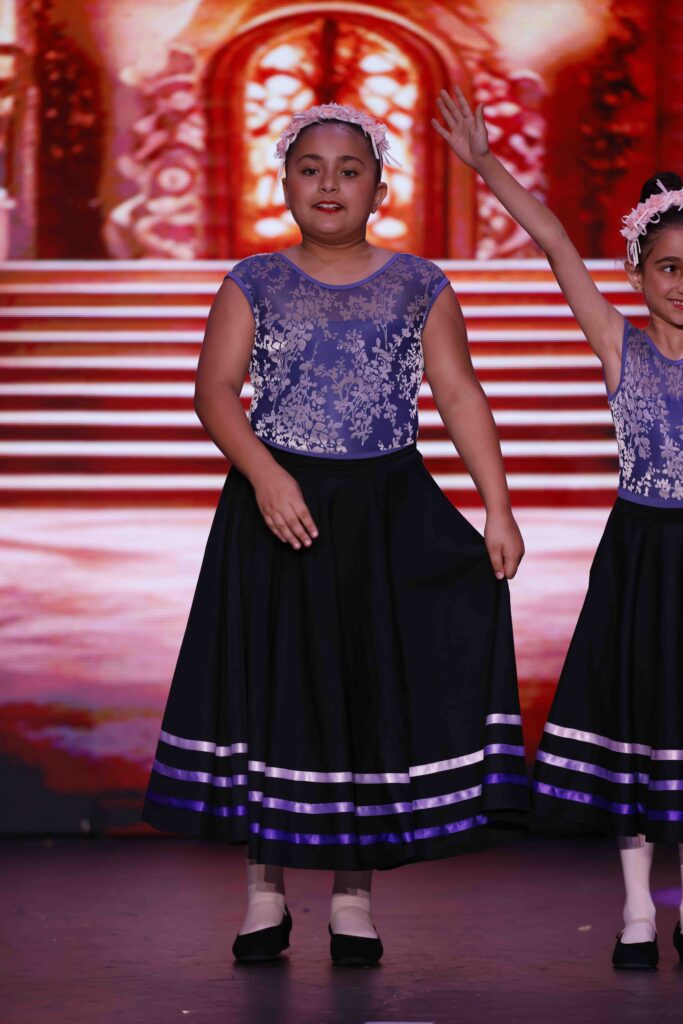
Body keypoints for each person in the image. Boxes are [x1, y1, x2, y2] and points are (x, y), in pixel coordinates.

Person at [142, 102, 528, 966]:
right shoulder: (253, 280)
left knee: (361, 687)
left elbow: (458, 392)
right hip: (276, 509)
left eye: (349, 170)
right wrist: (266, 474)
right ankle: (265, 892)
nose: (329, 183)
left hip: (382, 512)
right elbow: (214, 390)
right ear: (282, 184)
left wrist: (496, 505)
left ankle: (353, 897)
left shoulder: (419, 282)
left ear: (379, 189)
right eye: (310, 168)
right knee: (276, 688)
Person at [432, 85, 683, 971]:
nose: (681, 284)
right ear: (637, 275)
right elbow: (553, 243)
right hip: (642, 557)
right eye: (667, 267)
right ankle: (636, 910)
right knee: (635, 723)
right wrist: (485, 163)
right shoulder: (620, 345)